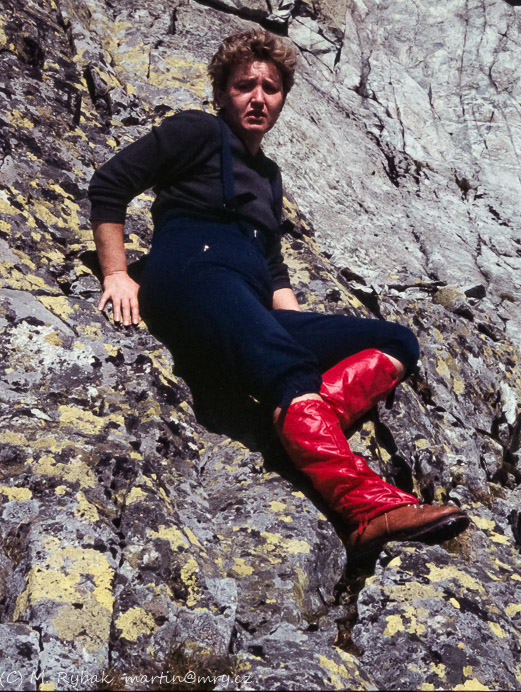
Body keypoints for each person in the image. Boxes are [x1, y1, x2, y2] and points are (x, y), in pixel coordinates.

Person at [88, 28, 469, 557]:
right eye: (245, 85)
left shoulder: (269, 175)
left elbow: (271, 265)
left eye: (271, 87)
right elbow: (108, 186)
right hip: (191, 278)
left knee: (395, 341)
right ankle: (367, 508)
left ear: (283, 98)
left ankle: (301, 424)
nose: (259, 97)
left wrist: (295, 326)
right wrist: (117, 272)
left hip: (242, 297)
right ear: (221, 93)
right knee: (286, 368)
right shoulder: (195, 130)